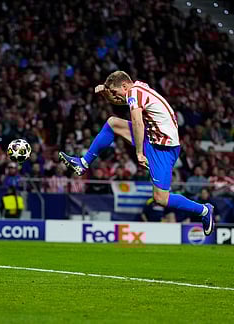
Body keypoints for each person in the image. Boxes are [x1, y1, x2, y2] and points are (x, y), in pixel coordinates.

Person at [59, 71, 215, 236]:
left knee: (161, 198)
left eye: (114, 91)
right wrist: (106, 93)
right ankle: (83, 163)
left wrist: (139, 152)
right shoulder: (137, 88)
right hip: (153, 138)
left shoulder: (134, 93)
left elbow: (138, 123)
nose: (114, 96)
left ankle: (204, 210)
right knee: (112, 123)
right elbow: (120, 102)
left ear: (124, 86)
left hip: (163, 149)